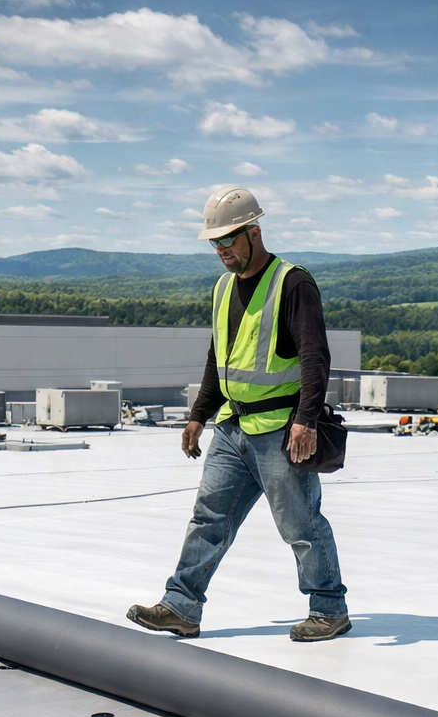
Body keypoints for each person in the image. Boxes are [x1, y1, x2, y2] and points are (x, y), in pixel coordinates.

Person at [128, 185, 350, 642]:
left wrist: (306, 420)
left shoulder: (293, 283)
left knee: (301, 526)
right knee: (208, 518)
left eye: (229, 240)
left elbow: (315, 357)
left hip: (280, 431)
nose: (222, 250)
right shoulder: (224, 286)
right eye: (215, 242)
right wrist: (198, 415)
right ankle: (181, 607)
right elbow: (218, 357)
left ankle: (330, 610)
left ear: (255, 231)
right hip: (232, 427)